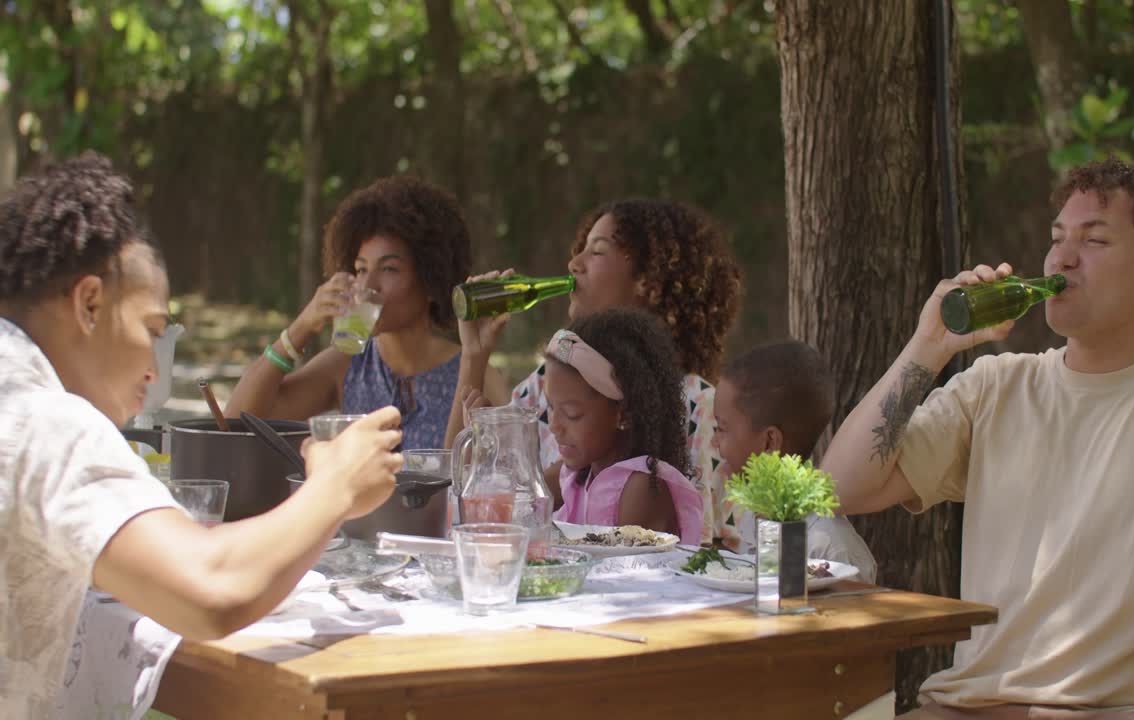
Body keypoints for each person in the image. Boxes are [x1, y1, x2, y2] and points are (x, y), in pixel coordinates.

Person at [820, 158, 1134, 719]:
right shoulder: (995, 387)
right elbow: (841, 488)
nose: (1062, 258)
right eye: (1057, 238)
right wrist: (927, 347)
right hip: (963, 709)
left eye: (1094, 240)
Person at [0, 153, 404, 718]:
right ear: (89, 303)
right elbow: (211, 588)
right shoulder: (45, 422)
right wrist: (334, 486)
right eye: (152, 331)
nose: (155, 367)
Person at [447, 198, 743, 545]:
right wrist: (474, 356)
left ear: (648, 280)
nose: (573, 264)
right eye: (580, 249)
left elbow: (694, 551)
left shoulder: (700, 407)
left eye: (597, 252)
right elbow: (464, 487)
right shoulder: (545, 383)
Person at [226, 174, 504, 448]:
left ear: (432, 281)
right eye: (360, 269)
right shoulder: (348, 364)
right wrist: (301, 328)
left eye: (389, 269)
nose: (367, 285)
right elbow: (237, 423)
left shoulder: (475, 367)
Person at [711, 340, 877, 581]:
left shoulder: (829, 549)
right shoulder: (758, 514)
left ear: (769, 442)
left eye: (722, 429)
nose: (714, 442)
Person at [546, 308, 704, 544]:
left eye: (572, 414)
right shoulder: (575, 473)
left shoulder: (641, 488)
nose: (554, 426)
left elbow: (620, 577)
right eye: (550, 407)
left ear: (625, 415)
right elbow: (514, 506)